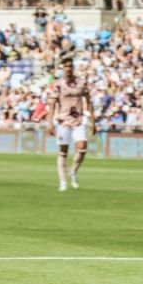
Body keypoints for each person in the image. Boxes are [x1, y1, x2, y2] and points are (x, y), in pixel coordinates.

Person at [47, 56, 97, 191]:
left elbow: (89, 102)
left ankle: (73, 171)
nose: (68, 68)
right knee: (63, 151)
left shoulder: (81, 83)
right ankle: (63, 181)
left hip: (78, 120)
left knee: (82, 147)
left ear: (73, 67)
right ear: (63, 68)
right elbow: (52, 104)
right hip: (62, 121)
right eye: (66, 66)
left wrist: (93, 121)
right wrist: (50, 123)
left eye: (70, 66)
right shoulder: (57, 84)